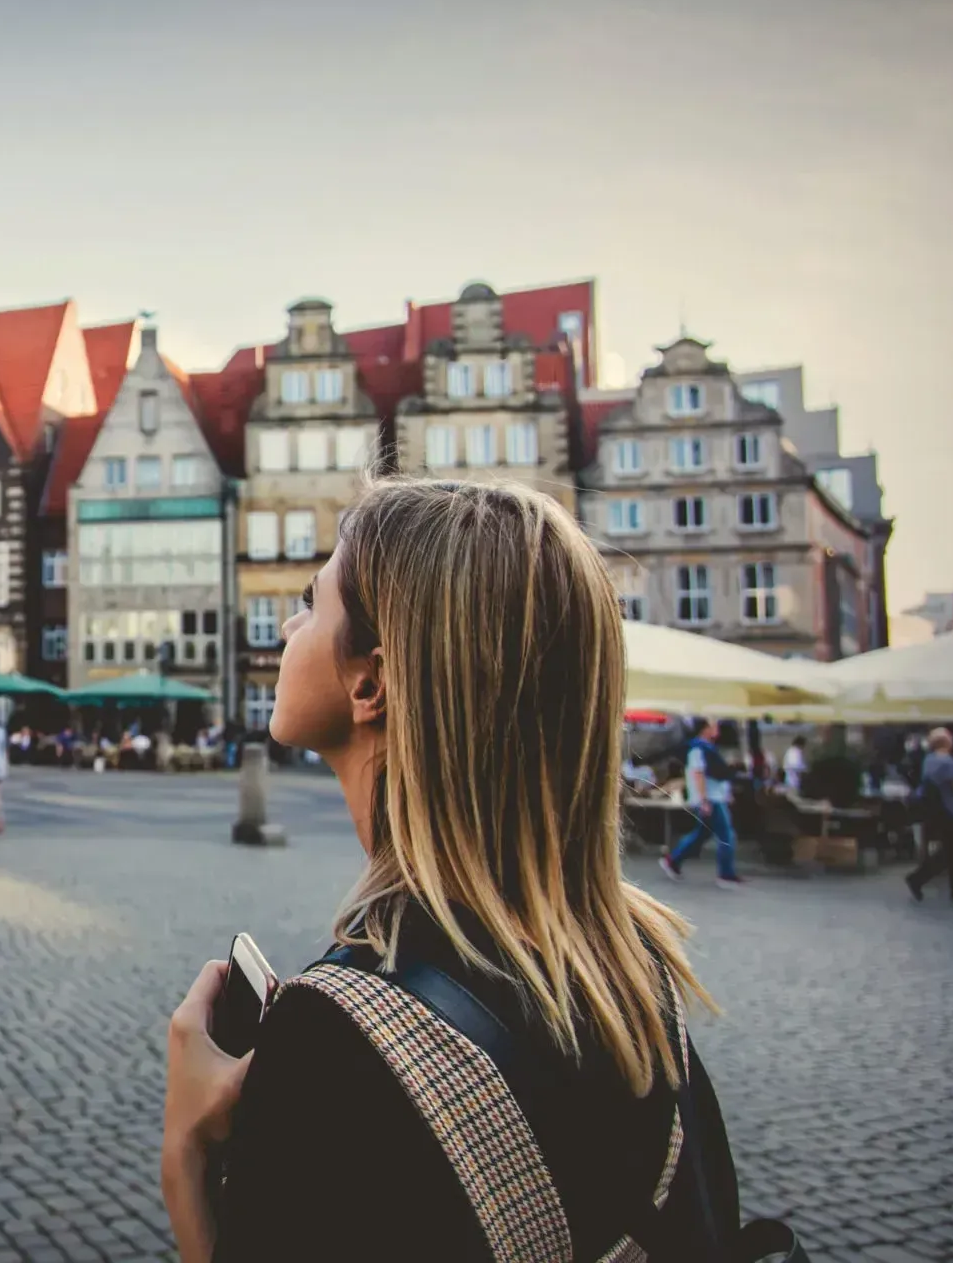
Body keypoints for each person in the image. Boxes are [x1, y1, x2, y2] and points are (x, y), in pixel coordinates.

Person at [163, 479, 743, 1262]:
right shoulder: (635, 968)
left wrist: (186, 1160)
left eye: (312, 599)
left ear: (371, 681)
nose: (290, 622)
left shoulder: (339, 1038)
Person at [660, 718, 745, 887]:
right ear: (705, 729)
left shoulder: (706, 748)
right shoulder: (699, 749)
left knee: (701, 834)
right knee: (726, 835)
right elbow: (698, 775)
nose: (717, 729)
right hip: (711, 799)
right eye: (713, 726)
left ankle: (673, 861)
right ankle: (725, 874)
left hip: (714, 797)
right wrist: (704, 799)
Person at [907, 727, 953, 903]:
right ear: (948, 742)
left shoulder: (929, 760)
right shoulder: (948, 762)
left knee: (952, 852)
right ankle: (923, 880)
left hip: (938, 812)